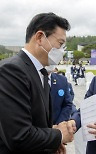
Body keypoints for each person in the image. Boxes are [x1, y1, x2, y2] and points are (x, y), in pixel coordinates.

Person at [0, 12, 75, 153]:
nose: (62, 51)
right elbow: (19, 135)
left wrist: (52, 142)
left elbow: (37, 123)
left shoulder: (41, 72)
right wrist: (59, 135)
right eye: (60, 43)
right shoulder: (12, 70)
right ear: (40, 37)